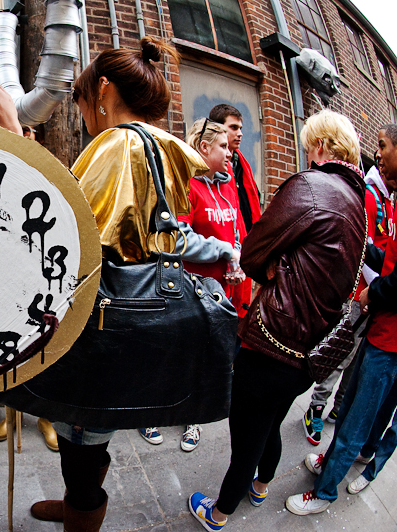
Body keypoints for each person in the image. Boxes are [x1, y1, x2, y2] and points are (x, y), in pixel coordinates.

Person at [0, 37, 206, 530]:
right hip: (137, 320)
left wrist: (13, 131)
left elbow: (68, 235)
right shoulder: (158, 145)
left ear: (101, 90)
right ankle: (78, 500)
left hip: (104, 324)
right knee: (91, 432)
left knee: (81, 438)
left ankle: (82, 509)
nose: (82, 115)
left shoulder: (118, 142)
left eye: (80, 102)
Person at [188, 109, 366, 531]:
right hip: (312, 350)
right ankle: (262, 485)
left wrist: (274, 268)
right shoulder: (359, 204)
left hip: (272, 340)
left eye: (308, 147)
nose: (307, 155)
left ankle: (220, 512)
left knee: (247, 430)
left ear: (320, 146)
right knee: (271, 420)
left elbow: (250, 252)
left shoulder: (310, 185)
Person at [286, 123, 397, 515]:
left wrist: (375, 291)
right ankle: (324, 442)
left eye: (383, 147)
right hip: (374, 317)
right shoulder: (372, 194)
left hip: (387, 327)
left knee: (357, 409)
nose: (377, 155)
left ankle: (327, 487)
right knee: (344, 390)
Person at [138, 119, 246, 454]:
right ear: (203, 148)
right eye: (223, 147)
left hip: (218, 289)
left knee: (203, 354)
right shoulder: (184, 186)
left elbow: (236, 229)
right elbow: (177, 239)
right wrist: (222, 250)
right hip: (186, 288)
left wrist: (236, 260)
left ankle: (191, 418)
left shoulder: (229, 186)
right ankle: (152, 410)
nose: (231, 152)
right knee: (172, 350)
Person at [301, 148, 395, 446]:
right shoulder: (369, 196)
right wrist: (368, 291)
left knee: (356, 362)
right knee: (339, 353)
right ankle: (316, 408)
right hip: (361, 294)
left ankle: (338, 408)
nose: (379, 154)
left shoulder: (391, 203)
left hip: (380, 297)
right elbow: (357, 244)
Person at [0, 124, 57, 450]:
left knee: (44, 350)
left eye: (30, 130)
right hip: (7, 276)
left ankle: (45, 416)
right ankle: (11, 412)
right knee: (10, 349)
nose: (24, 135)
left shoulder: (47, 173)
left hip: (43, 277)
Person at [209, 104, 261, 319]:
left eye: (241, 128)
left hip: (242, 250)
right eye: (233, 127)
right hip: (221, 258)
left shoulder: (241, 164)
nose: (240, 133)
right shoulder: (210, 169)